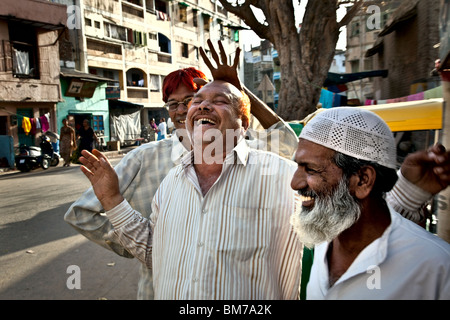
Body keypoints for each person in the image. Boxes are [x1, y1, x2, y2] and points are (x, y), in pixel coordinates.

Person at [64, 40, 299, 300]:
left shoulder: (246, 151)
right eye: (172, 103)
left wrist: (238, 89)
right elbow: (82, 214)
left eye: (188, 100)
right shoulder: (148, 159)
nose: (181, 110)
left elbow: (289, 146)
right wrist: (138, 244)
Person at [290, 107, 450, 300]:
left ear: (363, 180)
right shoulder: (326, 234)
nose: (294, 183)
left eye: (311, 169)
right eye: (298, 166)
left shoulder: (438, 267)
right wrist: (411, 192)